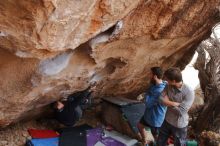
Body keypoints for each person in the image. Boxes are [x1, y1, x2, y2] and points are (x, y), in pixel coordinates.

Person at [157, 67, 195, 146]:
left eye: (167, 79)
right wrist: (175, 104)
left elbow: (182, 112)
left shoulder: (189, 92)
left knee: (179, 144)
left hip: (179, 125)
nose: (165, 80)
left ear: (174, 81)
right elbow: (160, 98)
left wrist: (166, 102)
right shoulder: (168, 85)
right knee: (160, 142)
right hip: (167, 120)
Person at [137, 67, 167, 145]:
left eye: (150, 74)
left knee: (156, 138)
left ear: (155, 76)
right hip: (149, 115)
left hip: (155, 118)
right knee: (140, 125)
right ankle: (144, 141)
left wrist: (143, 97)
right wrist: (144, 94)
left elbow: (148, 104)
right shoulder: (155, 85)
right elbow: (149, 93)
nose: (149, 76)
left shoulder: (159, 90)